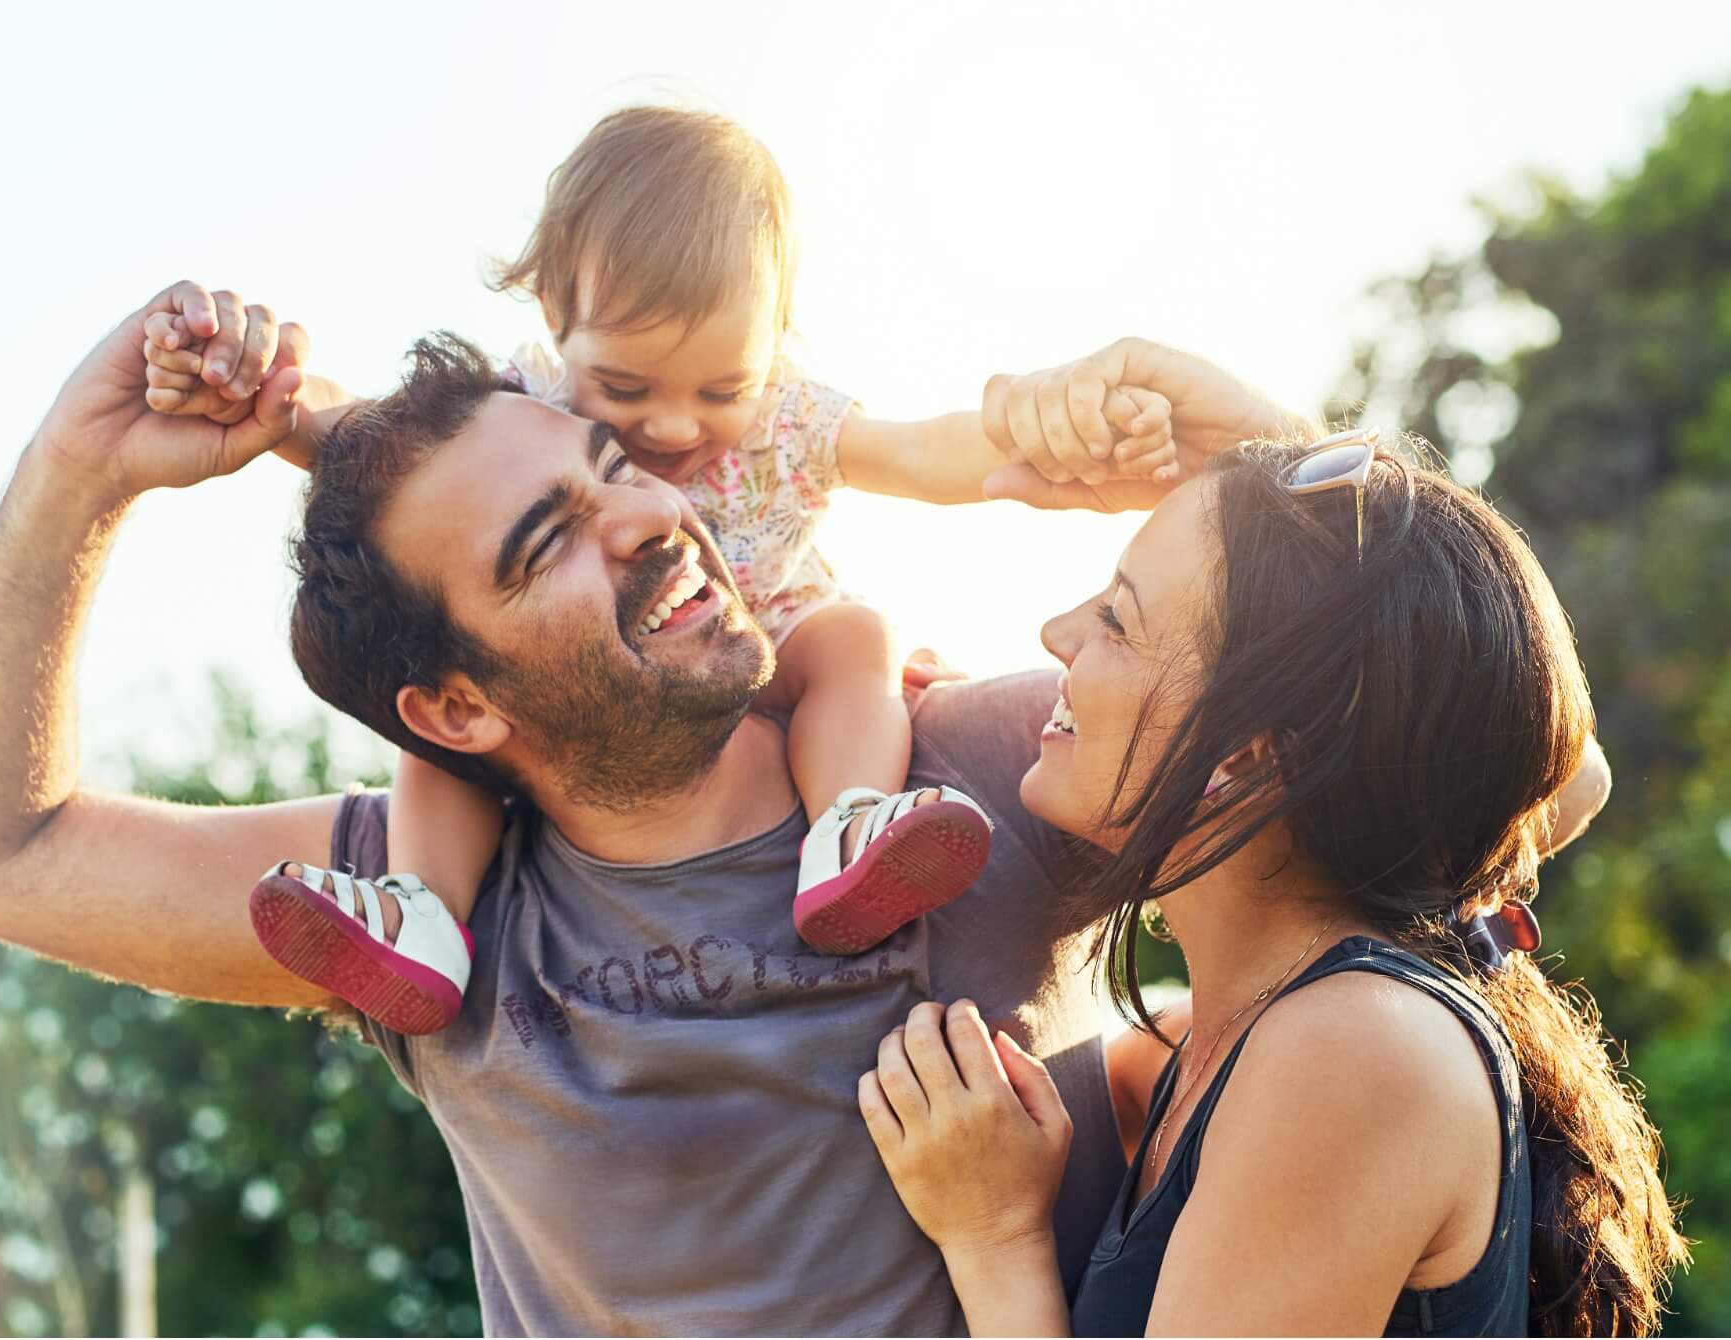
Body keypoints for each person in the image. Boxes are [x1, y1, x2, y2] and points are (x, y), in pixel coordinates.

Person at [0, 278, 1412, 1333]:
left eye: (613, 464)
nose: (648, 516)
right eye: (549, 539)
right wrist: (81, 470)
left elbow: (1522, 765)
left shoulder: (989, 771)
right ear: (457, 710)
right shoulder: (418, 909)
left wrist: (1263, 455)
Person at [137, 107, 1175, 1034]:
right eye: (625, 386)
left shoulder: (786, 419)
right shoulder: (524, 409)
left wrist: (1052, 442)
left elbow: (917, 452)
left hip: (764, 654)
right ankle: (422, 913)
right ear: (553, 312)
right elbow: (358, 433)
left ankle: (851, 825)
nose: (674, 425)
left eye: (722, 385)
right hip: (601, 684)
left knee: (857, 638)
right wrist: (245, 379)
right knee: (453, 729)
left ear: (776, 343)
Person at [854, 432, 1683, 1335]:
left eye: (1118, 621)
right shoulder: (1230, 1040)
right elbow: (1519, 759)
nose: (1058, 634)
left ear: (1243, 758)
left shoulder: (1356, 1051)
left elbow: (1548, 765)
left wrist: (996, 1239)